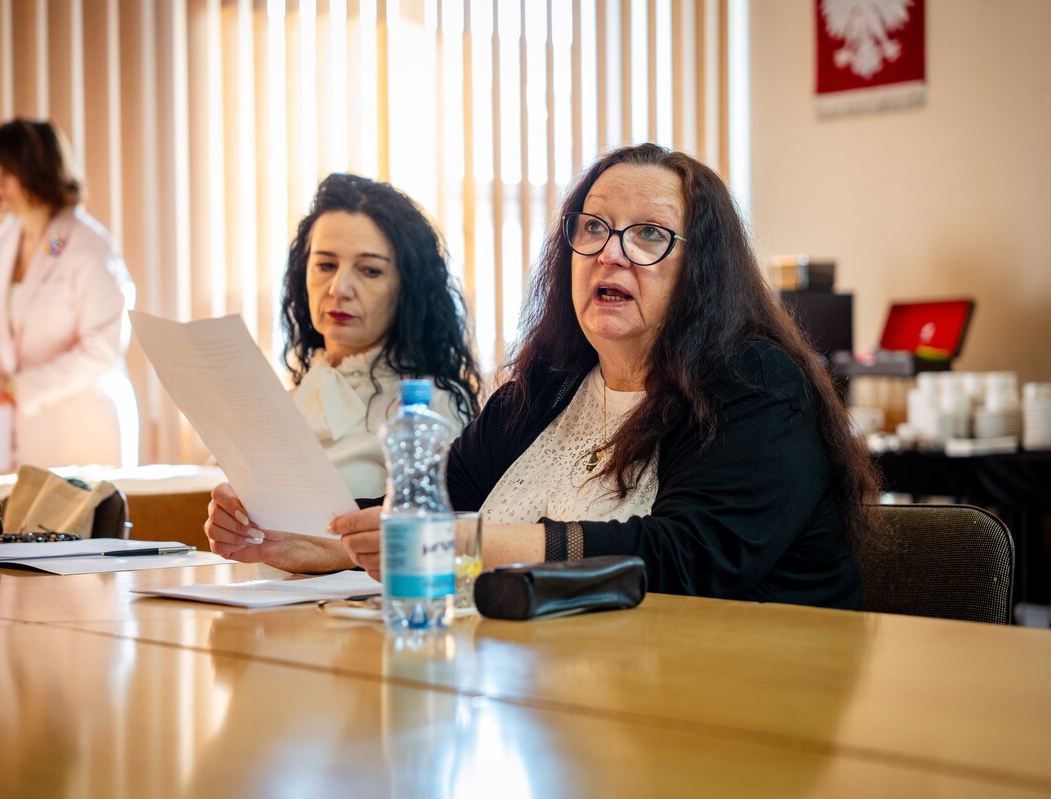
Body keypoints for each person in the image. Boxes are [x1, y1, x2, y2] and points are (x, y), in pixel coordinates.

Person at [208, 144, 881, 608]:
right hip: (562, 689)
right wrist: (309, 538)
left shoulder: (758, 383)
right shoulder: (550, 385)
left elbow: (686, 560)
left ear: (704, 269)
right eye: (594, 228)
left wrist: (471, 544)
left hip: (739, 701)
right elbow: (434, 507)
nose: (611, 254)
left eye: (649, 234)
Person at [207, 173, 481, 534]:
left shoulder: (431, 409)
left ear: (407, 288)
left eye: (369, 270)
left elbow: (435, 539)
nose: (339, 288)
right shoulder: (287, 400)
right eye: (326, 265)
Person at [0, 118, 138, 473]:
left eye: (6, 173)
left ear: (36, 171)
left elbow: (102, 349)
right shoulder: (0, 244)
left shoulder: (89, 245)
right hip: (17, 430)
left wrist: (17, 387)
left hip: (81, 431)